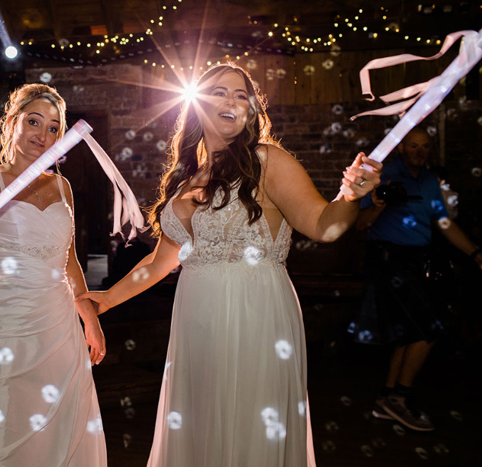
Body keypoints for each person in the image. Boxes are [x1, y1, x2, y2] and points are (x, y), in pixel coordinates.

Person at [77, 63, 382, 467]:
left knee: (249, 423)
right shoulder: (186, 178)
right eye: (220, 91)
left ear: (251, 111)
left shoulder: (266, 161)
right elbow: (162, 260)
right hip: (196, 321)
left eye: (242, 95)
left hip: (254, 314)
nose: (232, 101)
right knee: (200, 424)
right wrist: (106, 300)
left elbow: (324, 227)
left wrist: (350, 196)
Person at [0, 84, 107, 466]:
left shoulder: (62, 187)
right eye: (34, 121)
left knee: (62, 419)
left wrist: (90, 319)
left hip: (59, 321)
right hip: (6, 319)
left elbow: (69, 261)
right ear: (12, 124)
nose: (43, 134)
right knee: (3, 419)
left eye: (53, 127)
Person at [353, 127, 482, 432]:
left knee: (411, 332)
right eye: (413, 146)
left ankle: (387, 397)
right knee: (429, 328)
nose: (419, 152)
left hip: (418, 262)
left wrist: (476, 253)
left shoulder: (428, 181)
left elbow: (445, 224)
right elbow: (360, 224)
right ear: (401, 148)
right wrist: (378, 204)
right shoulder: (382, 175)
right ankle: (400, 397)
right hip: (388, 260)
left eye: (425, 147)